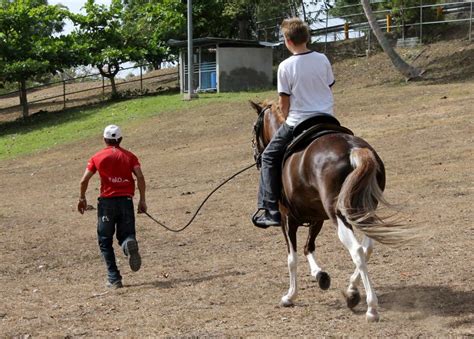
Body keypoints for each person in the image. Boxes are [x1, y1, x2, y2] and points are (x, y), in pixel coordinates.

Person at [253, 17, 335, 228]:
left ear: (287, 41)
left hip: (299, 122)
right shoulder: (323, 59)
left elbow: (284, 103)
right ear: (307, 38)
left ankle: (271, 210)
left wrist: (284, 115)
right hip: (328, 119)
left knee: (269, 156)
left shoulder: (286, 66)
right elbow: (327, 86)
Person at [78, 124, 147, 288]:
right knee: (127, 234)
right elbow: (140, 176)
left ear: (104, 140)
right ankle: (127, 244)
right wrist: (142, 200)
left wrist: (82, 198)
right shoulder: (130, 156)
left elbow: (84, 180)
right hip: (126, 201)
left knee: (104, 240)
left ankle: (114, 278)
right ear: (120, 139)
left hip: (107, 203)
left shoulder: (97, 157)